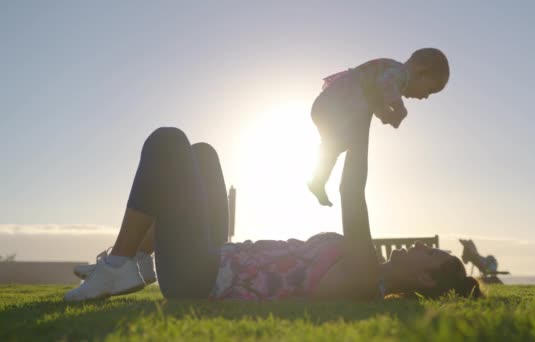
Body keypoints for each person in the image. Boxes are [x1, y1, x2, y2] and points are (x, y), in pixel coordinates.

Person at [64, 127, 481, 302]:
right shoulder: (365, 268)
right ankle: (141, 259)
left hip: (198, 276)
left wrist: (359, 120)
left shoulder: (363, 275)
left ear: (425, 279)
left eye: (428, 256)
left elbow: (351, 189)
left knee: (167, 142)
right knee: (202, 155)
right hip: (215, 254)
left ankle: (119, 265)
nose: (417, 249)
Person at [308, 48, 450, 207]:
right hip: (334, 106)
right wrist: (399, 107)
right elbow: (385, 84)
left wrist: (385, 115)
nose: (425, 97)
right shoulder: (399, 73)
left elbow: (374, 97)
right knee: (345, 142)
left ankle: (318, 181)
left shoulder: (389, 72)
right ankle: (325, 184)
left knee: (335, 145)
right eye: (429, 90)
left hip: (328, 106)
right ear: (420, 71)